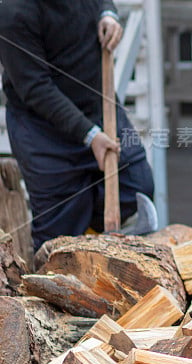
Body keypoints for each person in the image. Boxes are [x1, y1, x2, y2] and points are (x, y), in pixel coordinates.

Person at [0, 0, 154, 251]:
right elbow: (36, 88)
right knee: (59, 232)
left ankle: (94, 240)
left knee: (136, 186)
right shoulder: (13, 13)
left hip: (98, 104)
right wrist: (90, 135)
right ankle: (76, 256)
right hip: (43, 129)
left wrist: (108, 14)